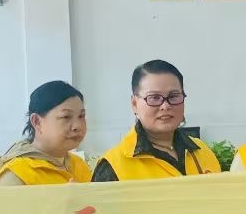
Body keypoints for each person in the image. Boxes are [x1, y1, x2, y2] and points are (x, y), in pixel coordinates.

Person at [92, 60, 220, 180]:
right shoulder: (113, 166)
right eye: (154, 97)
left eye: (173, 96)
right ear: (134, 104)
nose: (165, 106)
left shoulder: (201, 151)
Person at [0, 81, 91, 186]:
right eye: (66, 117)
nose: (77, 126)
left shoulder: (79, 165)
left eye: (81, 116)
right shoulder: (15, 176)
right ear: (37, 122)